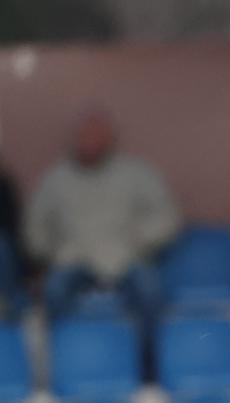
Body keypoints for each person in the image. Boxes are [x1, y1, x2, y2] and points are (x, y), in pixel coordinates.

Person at [25, 108, 179, 369]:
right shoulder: (55, 179)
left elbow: (167, 216)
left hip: (126, 258)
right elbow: (35, 227)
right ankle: (62, 368)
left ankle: (147, 370)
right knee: (53, 290)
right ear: (75, 140)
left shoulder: (136, 173)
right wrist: (51, 253)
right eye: (85, 136)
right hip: (71, 260)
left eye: (97, 136)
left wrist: (138, 242)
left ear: (110, 139)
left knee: (150, 290)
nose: (90, 142)